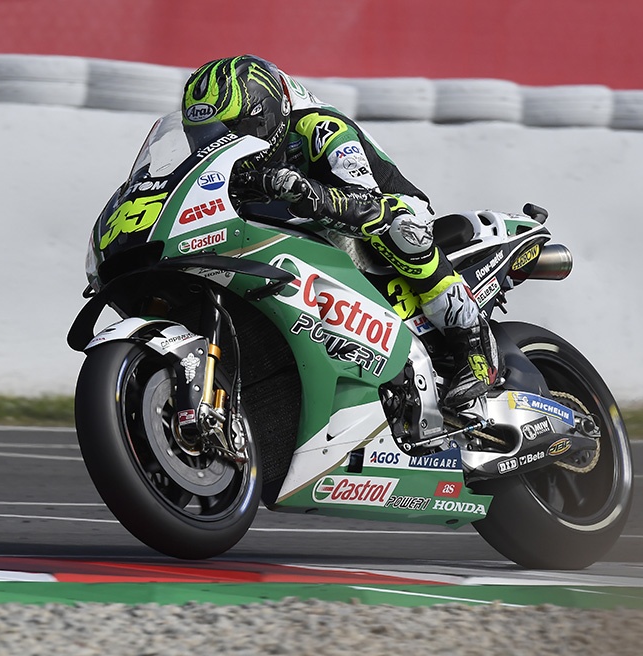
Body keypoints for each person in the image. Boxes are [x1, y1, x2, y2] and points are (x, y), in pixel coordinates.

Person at [181, 55, 498, 405]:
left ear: (266, 114)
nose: (217, 145)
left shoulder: (320, 128)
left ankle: (471, 341)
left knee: (398, 226)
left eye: (231, 132)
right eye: (205, 136)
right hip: (309, 230)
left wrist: (307, 192)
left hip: (385, 213)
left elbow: (368, 202)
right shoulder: (230, 165)